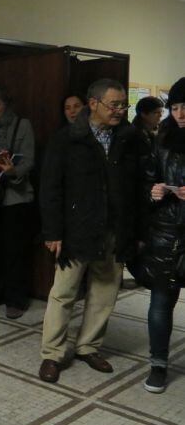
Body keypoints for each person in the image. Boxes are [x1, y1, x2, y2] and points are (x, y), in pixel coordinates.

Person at [38, 79, 140, 383]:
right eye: (114, 104)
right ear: (92, 104)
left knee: (105, 290)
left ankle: (88, 346)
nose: (120, 111)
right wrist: (52, 232)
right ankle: (52, 354)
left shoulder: (128, 138)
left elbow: (135, 187)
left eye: (124, 104)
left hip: (113, 229)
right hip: (75, 232)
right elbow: (50, 188)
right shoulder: (67, 139)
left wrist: (135, 230)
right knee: (63, 292)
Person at [137, 77, 185, 393]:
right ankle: (158, 364)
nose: (180, 114)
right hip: (167, 233)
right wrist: (153, 192)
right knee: (161, 300)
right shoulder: (161, 141)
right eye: (176, 107)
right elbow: (144, 181)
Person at [0, 88, 35, 319]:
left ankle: (16, 299)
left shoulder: (22, 125)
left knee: (15, 251)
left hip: (16, 198)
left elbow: (29, 159)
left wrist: (12, 170)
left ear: (6, 105)